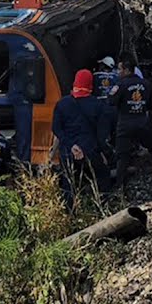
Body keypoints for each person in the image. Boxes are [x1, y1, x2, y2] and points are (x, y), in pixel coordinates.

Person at [52, 69, 114, 207]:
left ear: (75, 83)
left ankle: (69, 213)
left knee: (68, 183)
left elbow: (56, 129)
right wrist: (103, 153)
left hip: (68, 151)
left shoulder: (62, 104)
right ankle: (101, 207)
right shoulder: (98, 105)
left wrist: (72, 145)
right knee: (102, 176)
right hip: (90, 151)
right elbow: (102, 134)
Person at [111, 57, 152, 191]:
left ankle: (120, 185)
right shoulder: (146, 83)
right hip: (142, 121)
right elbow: (151, 104)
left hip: (125, 123)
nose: (118, 72)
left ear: (126, 70)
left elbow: (111, 101)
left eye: (120, 69)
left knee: (122, 155)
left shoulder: (121, 84)